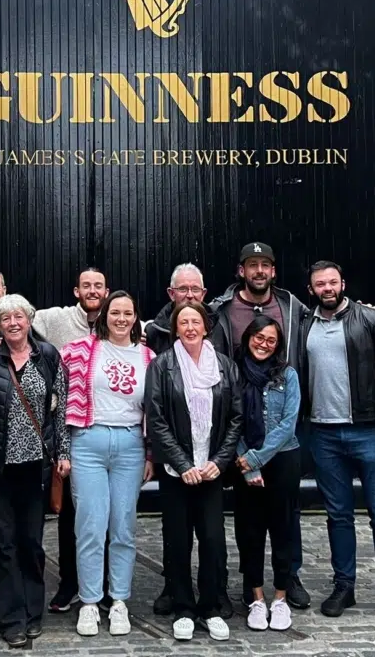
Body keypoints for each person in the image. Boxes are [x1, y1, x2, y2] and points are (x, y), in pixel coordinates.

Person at [297, 260, 375, 626]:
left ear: (343, 283)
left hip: (371, 431)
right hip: (324, 433)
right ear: (311, 289)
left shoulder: (372, 320)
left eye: (332, 282)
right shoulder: (305, 325)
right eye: (320, 284)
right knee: (338, 517)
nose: (327, 288)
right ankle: (344, 586)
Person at [209, 242, 311, 611]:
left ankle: (289, 579)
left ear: (273, 271)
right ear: (241, 271)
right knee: (248, 522)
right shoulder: (220, 309)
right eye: (252, 265)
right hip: (240, 427)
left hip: (280, 425)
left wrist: (362, 310)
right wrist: (244, 458)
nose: (259, 271)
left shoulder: (292, 306)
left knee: (287, 517)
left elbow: (325, 321)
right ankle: (251, 586)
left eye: (265, 265)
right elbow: (176, 320)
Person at [59, 291, 156, 637]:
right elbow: (38, 361)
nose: (120, 319)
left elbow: (155, 411)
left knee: (123, 526)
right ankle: (88, 601)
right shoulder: (81, 349)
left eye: (127, 313)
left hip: (130, 444)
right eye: (115, 312)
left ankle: (118, 601)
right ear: (104, 315)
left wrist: (150, 454)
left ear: (136, 318)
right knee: (90, 524)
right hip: (88, 441)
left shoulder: (148, 356)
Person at [145, 302, 242, 643]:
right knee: (178, 541)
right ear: (175, 328)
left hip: (211, 470)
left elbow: (235, 418)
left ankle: (211, 606)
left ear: (205, 327)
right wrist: (183, 464)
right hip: (177, 472)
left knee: (213, 540)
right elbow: (155, 419)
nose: (189, 327)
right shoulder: (162, 366)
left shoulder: (225, 367)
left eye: (195, 321)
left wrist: (220, 460)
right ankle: (184, 607)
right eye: (183, 322)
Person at [0, 294, 70, 648]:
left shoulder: (46, 356)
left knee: (31, 541)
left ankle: (34, 611)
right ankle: (11, 617)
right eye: (6, 318)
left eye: (19, 316)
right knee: (4, 543)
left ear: (30, 320)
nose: (13, 323)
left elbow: (58, 409)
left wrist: (63, 451)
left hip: (36, 466)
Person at [33, 268, 111, 614]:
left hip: (108, 431)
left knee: (106, 514)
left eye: (98, 286)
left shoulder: (122, 323)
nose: (92, 291)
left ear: (106, 291)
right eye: (86, 286)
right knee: (71, 514)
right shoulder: (56, 319)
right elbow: (13, 320)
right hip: (69, 431)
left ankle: (104, 584)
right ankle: (69, 582)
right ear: (76, 291)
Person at [143, 262, 216, 617]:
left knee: (212, 533)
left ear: (204, 294)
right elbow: (155, 409)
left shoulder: (217, 333)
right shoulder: (154, 331)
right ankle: (175, 587)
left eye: (195, 290)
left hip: (211, 453)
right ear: (171, 295)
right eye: (182, 290)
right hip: (173, 450)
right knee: (175, 530)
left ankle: (214, 591)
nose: (189, 296)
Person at [232, 316, 301, 633]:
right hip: (244, 462)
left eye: (270, 340)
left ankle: (281, 598)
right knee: (250, 532)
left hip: (282, 459)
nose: (263, 343)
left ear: (278, 345)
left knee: (283, 529)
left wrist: (257, 458)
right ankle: (257, 598)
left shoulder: (288, 375)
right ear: (248, 337)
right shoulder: (233, 373)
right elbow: (231, 421)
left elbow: (288, 425)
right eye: (258, 337)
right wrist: (248, 465)